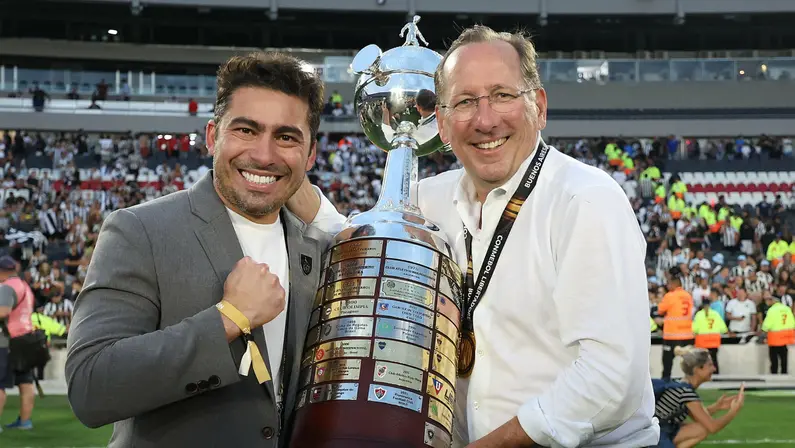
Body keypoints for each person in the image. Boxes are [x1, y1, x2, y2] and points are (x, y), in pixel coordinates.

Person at [290, 25, 659, 447]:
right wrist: (280, 174)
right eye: (464, 102)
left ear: (538, 106)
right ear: (442, 126)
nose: (485, 121)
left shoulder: (584, 200)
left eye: (503, 95)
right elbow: (359, 238)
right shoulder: (427, 199)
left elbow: (611, 375)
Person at [65, 52, 332, 447]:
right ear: (212, 137)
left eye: (286, 136)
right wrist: (229, 318)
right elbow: (91, 386)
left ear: (309, 154)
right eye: (245, 130)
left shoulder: (320, 248)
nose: (264, 154)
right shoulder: (140, 230)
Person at [653, 346, 745, 448]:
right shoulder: (686, 393)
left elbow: (698, 416)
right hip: (656, 435)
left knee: (701, 429)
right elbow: (712, 427)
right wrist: (733, 411)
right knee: (704, 428)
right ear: (697, 369)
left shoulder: (681, 386)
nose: (714, 369)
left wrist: (717, 407)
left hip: (657, 430)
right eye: (710, 365)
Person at [0, 255, 36, 432]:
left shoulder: (7, 287)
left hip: (8, 340)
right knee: (25, 381)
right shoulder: (25, 287)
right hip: (26, 338)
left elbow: (3, 312)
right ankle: (25, 421)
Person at [658, 269, 695, 381]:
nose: (667, 286)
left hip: (672, 335)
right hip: (687, 334)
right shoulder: (688, 296)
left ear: (674, 284)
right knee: (689, 363)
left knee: (667, 363)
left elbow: (660, 310)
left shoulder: (670, 296)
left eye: (669, 283)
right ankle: (691, 382)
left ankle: (665, 383)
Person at [761, 295, 795, 374]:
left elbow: (766, 325)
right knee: (784, 359)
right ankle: (784, 374)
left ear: (773, 301)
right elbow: (793, 323)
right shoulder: (787, 309)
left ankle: (774, 375)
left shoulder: (772, 310)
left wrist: (763, 331)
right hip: (785, 338)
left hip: (775, 338)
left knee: (774, 359)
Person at [691, 299, 728, 374]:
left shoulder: (699, 314)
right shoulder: (715, 314)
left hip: (702, 341)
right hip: (714, 341)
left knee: (702, 361)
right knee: (714, 359)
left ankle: (703, 376)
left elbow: (695, 329)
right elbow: (723, 329)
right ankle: (716, 377)